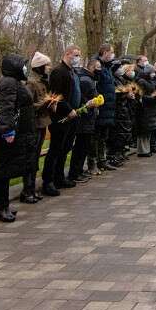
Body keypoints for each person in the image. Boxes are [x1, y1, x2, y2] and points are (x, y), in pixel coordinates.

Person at [0, 54, 36, 222]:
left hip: (11, 133)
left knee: (4, 171)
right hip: (4, 136)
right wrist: (8, 131)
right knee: (2, 171)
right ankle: (0, 207)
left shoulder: (13, 82)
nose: (24, 69)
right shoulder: (9, 83)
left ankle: (1, 205)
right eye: (22, 66)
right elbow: (6, 108)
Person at [42, 45, 83, 196]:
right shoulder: (59, 72)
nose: (77, 58)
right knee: (55, 150)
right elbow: (56, 96)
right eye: (76, 55)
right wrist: (68, 109)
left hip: (72, 116)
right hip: (61, 117)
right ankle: (48, 181)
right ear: (67, 54)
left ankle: (59, 177)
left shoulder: (71, 72)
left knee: (65, 148)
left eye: (79, 55)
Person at [22, 52, 52, 202]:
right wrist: (44, 104)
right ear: (39, 67)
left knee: (35, 157)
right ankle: (27, 190)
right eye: (46, 65)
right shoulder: (32, 83)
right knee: (31, 158)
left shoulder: (42, 81)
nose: (48, 68)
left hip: (42, 123)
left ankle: (32, 188)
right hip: (35, 124)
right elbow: (28, 106)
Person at [67, 57, 99, 183]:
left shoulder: (89, 78)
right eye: (98, 67)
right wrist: (89, 103)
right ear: (91, 67)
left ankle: (78, 170)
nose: (99, 70)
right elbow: (81, 98)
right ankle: (75, 172)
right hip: (84, 117)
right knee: (80, 146)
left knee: (84, 146)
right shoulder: (85, 80)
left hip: (88, 117)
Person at [94, 46, 118, 172]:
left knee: (104, 135)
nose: (113, 54)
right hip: (101, 106)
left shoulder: (107, 67)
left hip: (109, 107)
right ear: (104, 53)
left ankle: (102, 160)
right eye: (111, 52)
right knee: (98, 136)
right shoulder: (98, 66)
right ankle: (95, 161)